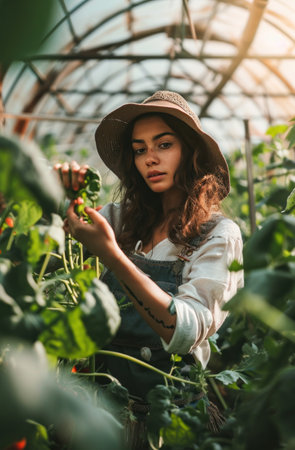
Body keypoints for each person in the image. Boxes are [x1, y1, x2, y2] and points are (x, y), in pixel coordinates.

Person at [55, 90, 243, 448]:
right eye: (140, 149)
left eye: (164, 144)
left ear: (190, 150)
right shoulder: (121, 219)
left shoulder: (218, 235)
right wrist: (63, 193)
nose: (150, 159)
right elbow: (62, 237)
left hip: (171, 419)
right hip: (104, 410)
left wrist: (113, 256)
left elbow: (186, 330)